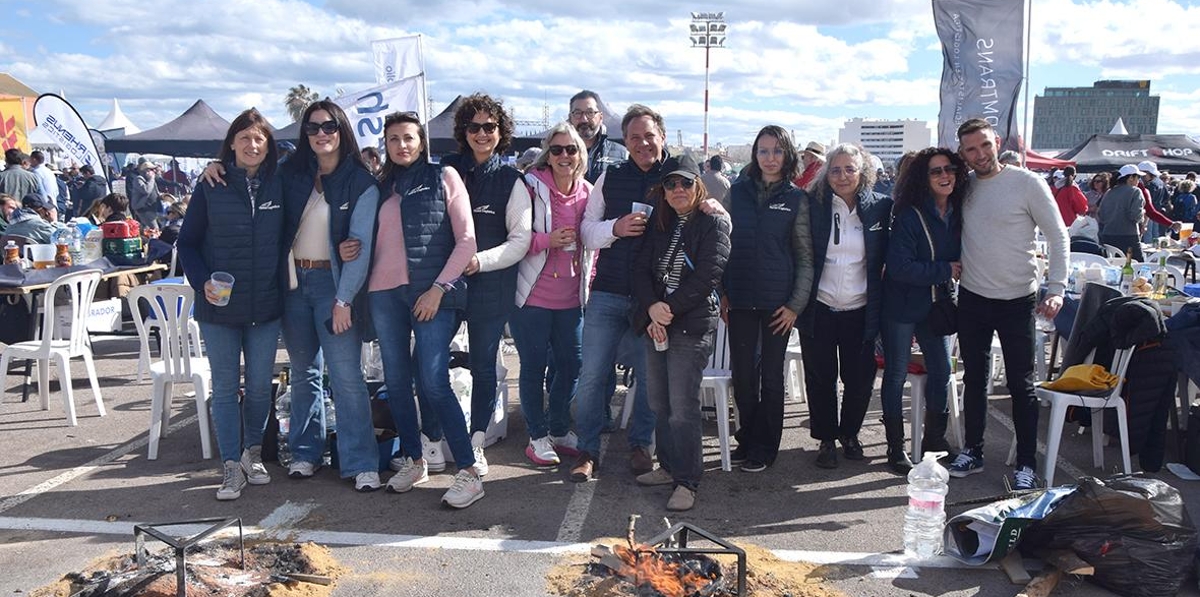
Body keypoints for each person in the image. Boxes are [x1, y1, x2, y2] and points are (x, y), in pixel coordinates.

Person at [202, 101, 383, 492]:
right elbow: (247, 176)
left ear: (342, 130)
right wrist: (213, 166)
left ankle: (361, 461)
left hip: (336, 288)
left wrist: (345, 299)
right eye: (313, 127)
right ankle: (305, 453)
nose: (321, 133)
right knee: (303, 375)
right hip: (294, 287)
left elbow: (362, 246)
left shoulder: (360, 180)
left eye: (329, 126)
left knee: (347, 377)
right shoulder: (290, 174)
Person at [363, 111, 483, 508]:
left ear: (421, 141)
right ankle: (415, 460)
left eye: (409, 138)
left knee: (433, 381)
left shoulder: (444, 176)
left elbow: (466, 241)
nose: (401, 145)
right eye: (394, 139)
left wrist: (437, 289)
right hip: (384, 293)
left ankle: (467, 470)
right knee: (396, 382)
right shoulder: (380, 187)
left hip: (433, 294)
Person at [950, 118, 1069, 491]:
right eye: (971, 149)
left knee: (1021, 385)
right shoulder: (964, 188)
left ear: (997, 142)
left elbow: (1058, 235)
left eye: (985, 145)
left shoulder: (1027, 183)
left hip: (1018, 299)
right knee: (974, 378)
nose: (980, 154)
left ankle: (1027, 463)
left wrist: (1057, 288)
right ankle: (973, 449)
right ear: (963, 154)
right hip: (972, 297)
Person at [176, 108, 285, 501]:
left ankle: (252, 454)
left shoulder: (280, 180)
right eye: (244, 138)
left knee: (258, 388)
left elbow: (302, 155)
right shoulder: (211, 185)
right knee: (225, 389)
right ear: (232, 144)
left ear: (268, 144)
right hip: (219, 308)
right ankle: (228, 467)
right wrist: (202, 281)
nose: (252, 145)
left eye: (259, 138)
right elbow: (186, 242)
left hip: (267, 304)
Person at [570, 104, 667, 482]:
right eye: (634, 138)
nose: (642, 143)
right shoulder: (610, 177)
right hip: (608, 291)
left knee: (648, 375)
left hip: (653, 298)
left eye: (648, 136)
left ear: (661, 135)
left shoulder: (679, 175)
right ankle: (587, 449)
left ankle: (642, 445)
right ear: (624, 142)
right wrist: (617, 227)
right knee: (593, 375)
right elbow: (586, 232)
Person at [631, 154, 731, 511]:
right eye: (671, 184)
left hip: (689, 325)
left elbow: (708, 276)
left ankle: (687, 480)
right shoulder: (660, 222)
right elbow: (639, 269)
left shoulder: (713, 224)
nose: (677, 190)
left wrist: (667, 310)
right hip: (656, 324)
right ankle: (669, 466)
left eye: (685, 182)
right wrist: (651, 309)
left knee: (682, 408)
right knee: (658, 402)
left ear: (698, 184)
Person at [439, 94, 532, 473]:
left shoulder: (512, 180)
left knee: (482, 368)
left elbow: (521, 240)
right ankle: (434, 439)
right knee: (431, 366)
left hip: (490, 289)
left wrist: (480, 261)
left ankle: (477, 440)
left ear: (500, 132)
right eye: (473, 127)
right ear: (463, 131)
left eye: (489, 127)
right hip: (443, 287)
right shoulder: (445, 170)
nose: (481, 134)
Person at [722, 126, 814, 473]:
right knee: (744, 375)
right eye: (763, 151)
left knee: (771, 379)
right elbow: (724, 245)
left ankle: (766, 446)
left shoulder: (796, 198)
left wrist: (795, 305)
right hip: (742, 298)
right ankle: (747, 438)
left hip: (779, 305)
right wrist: (723, 291)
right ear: (755, 155)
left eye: (776, 151)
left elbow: (805, 257)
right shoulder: (737, 192)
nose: (770, 158)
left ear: (787, 154)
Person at [799, 143, 891, 469]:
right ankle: (826, 439)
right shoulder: (813, 205)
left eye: (849, 169)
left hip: (861, 308)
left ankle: (849, 434)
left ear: (862, 171)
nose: (842, 176)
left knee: (860, 379)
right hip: (820, 307)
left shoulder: (881, 207)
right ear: (827, 173)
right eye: (835, 170)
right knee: (821, 378)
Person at [879, 148, 967, 474]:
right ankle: (894, 447)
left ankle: (934, 440)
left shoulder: (959, 212)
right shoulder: (909, 214)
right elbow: (899, 267)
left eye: (949, 169)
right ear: (923, 178)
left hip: (935, 307)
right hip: (902, 305)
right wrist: (945, 270)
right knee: (896, 374)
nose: (944, 176)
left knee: (942, 370)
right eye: (935, 171)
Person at [513, 123, 593, 466]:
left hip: (571, 296)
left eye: (571, 150)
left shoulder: (588, 191)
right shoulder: (530, 186)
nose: (564, 156)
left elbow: (594, 238)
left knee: (572, 364)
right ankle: (537, 435)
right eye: (557, 150)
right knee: (533, 366)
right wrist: (547, 240)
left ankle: (559, 427)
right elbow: (513, 239)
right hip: (533, 295)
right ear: (548, 153)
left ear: (580, 155)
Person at [569, 90, 629, 183]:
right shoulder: (557, 154)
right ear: (570, 118)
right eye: (578, 113)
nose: (584, 119)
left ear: (601, 117)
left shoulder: (623, 155)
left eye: (590, 113)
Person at [1097, 164, 1147, 262]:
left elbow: (1101, 215)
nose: (1139, 180)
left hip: (1108, 236)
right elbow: (1135, 216)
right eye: (1138, 177)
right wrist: (1143, 213)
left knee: (1114, 267)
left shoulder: (1109, 192)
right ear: (1131, 178)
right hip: (1129, 236)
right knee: (1139, 267)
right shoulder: (1135, 191)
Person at [129, 161, 162, 230]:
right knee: (154, 229)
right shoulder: (138, 179)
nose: (154, 171)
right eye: (152, 169)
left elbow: (155, 190)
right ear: (146, 170)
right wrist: (151, 179)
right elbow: (146, 190)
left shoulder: (150, 180)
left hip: (152, 207)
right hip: (144, 208)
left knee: (147, 229)